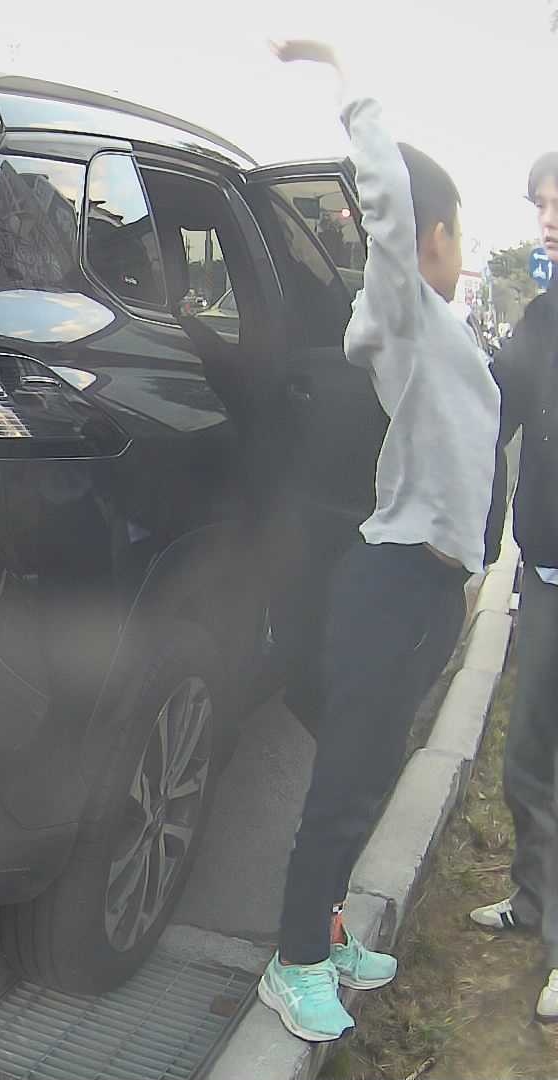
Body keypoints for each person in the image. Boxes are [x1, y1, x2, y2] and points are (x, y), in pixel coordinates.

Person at [259, 40, 502, 1043]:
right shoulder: (409, 313)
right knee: (344, 783)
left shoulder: (440, 328)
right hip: (392, 583)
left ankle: (328, 931)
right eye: (454, 230)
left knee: (368, 776)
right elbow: (388, 202)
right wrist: (343, 73)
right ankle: (293, 964)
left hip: (429, 592)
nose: (452, 245)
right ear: (433, 236)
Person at [468, 150, 558, 1023]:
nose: (549, 219)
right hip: (548, 575)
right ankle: (534, 900)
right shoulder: (542, 317)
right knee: (530, 754)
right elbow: (491, 409)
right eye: (542, 205)